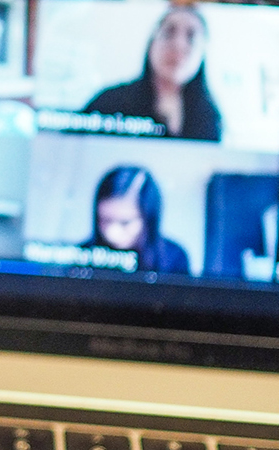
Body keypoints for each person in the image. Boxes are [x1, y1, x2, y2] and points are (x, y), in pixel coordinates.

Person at [80, 4, 222, 141]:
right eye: (169, 33)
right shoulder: (108, 102)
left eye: (191, 37)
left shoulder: (209, 117)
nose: (178, 45)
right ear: (152, 42)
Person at [86, 166, 190, 274]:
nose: (112, 233)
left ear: (148, 219)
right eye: (104, 220)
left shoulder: (174, 257)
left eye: (125, 222)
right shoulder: (80, 254)